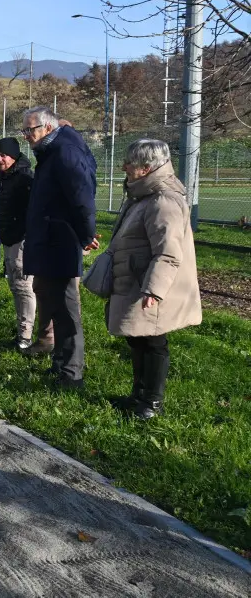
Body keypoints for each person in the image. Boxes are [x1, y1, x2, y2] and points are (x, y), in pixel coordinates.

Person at [105, 139, 201, 419]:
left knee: (154, 341)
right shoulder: (143, 195)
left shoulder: (163, 201)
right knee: (137, 338)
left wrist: (154, 290)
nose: (124, 167)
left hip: (151, 286)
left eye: (129, 163)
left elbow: (168, 253)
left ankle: (151, 403)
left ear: (146, 168)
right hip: (135, 280)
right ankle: (138, 395)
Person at [22, 107, 98, 390]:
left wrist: (86, 235)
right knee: (54, 303)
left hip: (60, 241)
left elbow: (82, 197)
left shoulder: (65, 153)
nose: (26, 135)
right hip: (49, 239)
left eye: (30, 130)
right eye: (24, 130)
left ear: (48, 128)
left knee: (66, 308)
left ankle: (72, 373)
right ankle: (60, 361)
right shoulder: (52, 151)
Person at [0, 136, 49, 352]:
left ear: (14, 157)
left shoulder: (25, 178)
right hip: (8, 237)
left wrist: (24, 234)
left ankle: (25, 336)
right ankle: (21, 332)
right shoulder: (5, 176)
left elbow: (33, 210)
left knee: (24, 287)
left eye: (3, 155)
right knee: (15, 286)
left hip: (22, 239)